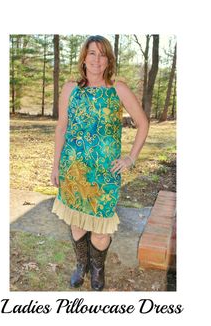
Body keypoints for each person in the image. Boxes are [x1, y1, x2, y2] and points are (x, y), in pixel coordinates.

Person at [51, 35, 149, 291]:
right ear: (84, 57)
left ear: (108, 61)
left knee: (101, 228)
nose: (96, 59)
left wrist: (131, 157)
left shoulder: (118, 89)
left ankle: (97, 269)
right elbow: (61, 128)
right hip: (73, 170)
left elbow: (143, 124)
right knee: (76, 222)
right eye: (92, 53)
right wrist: (55, 166)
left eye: (102, 54)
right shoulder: (70, 88)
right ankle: (81, 265)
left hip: (105, 173)